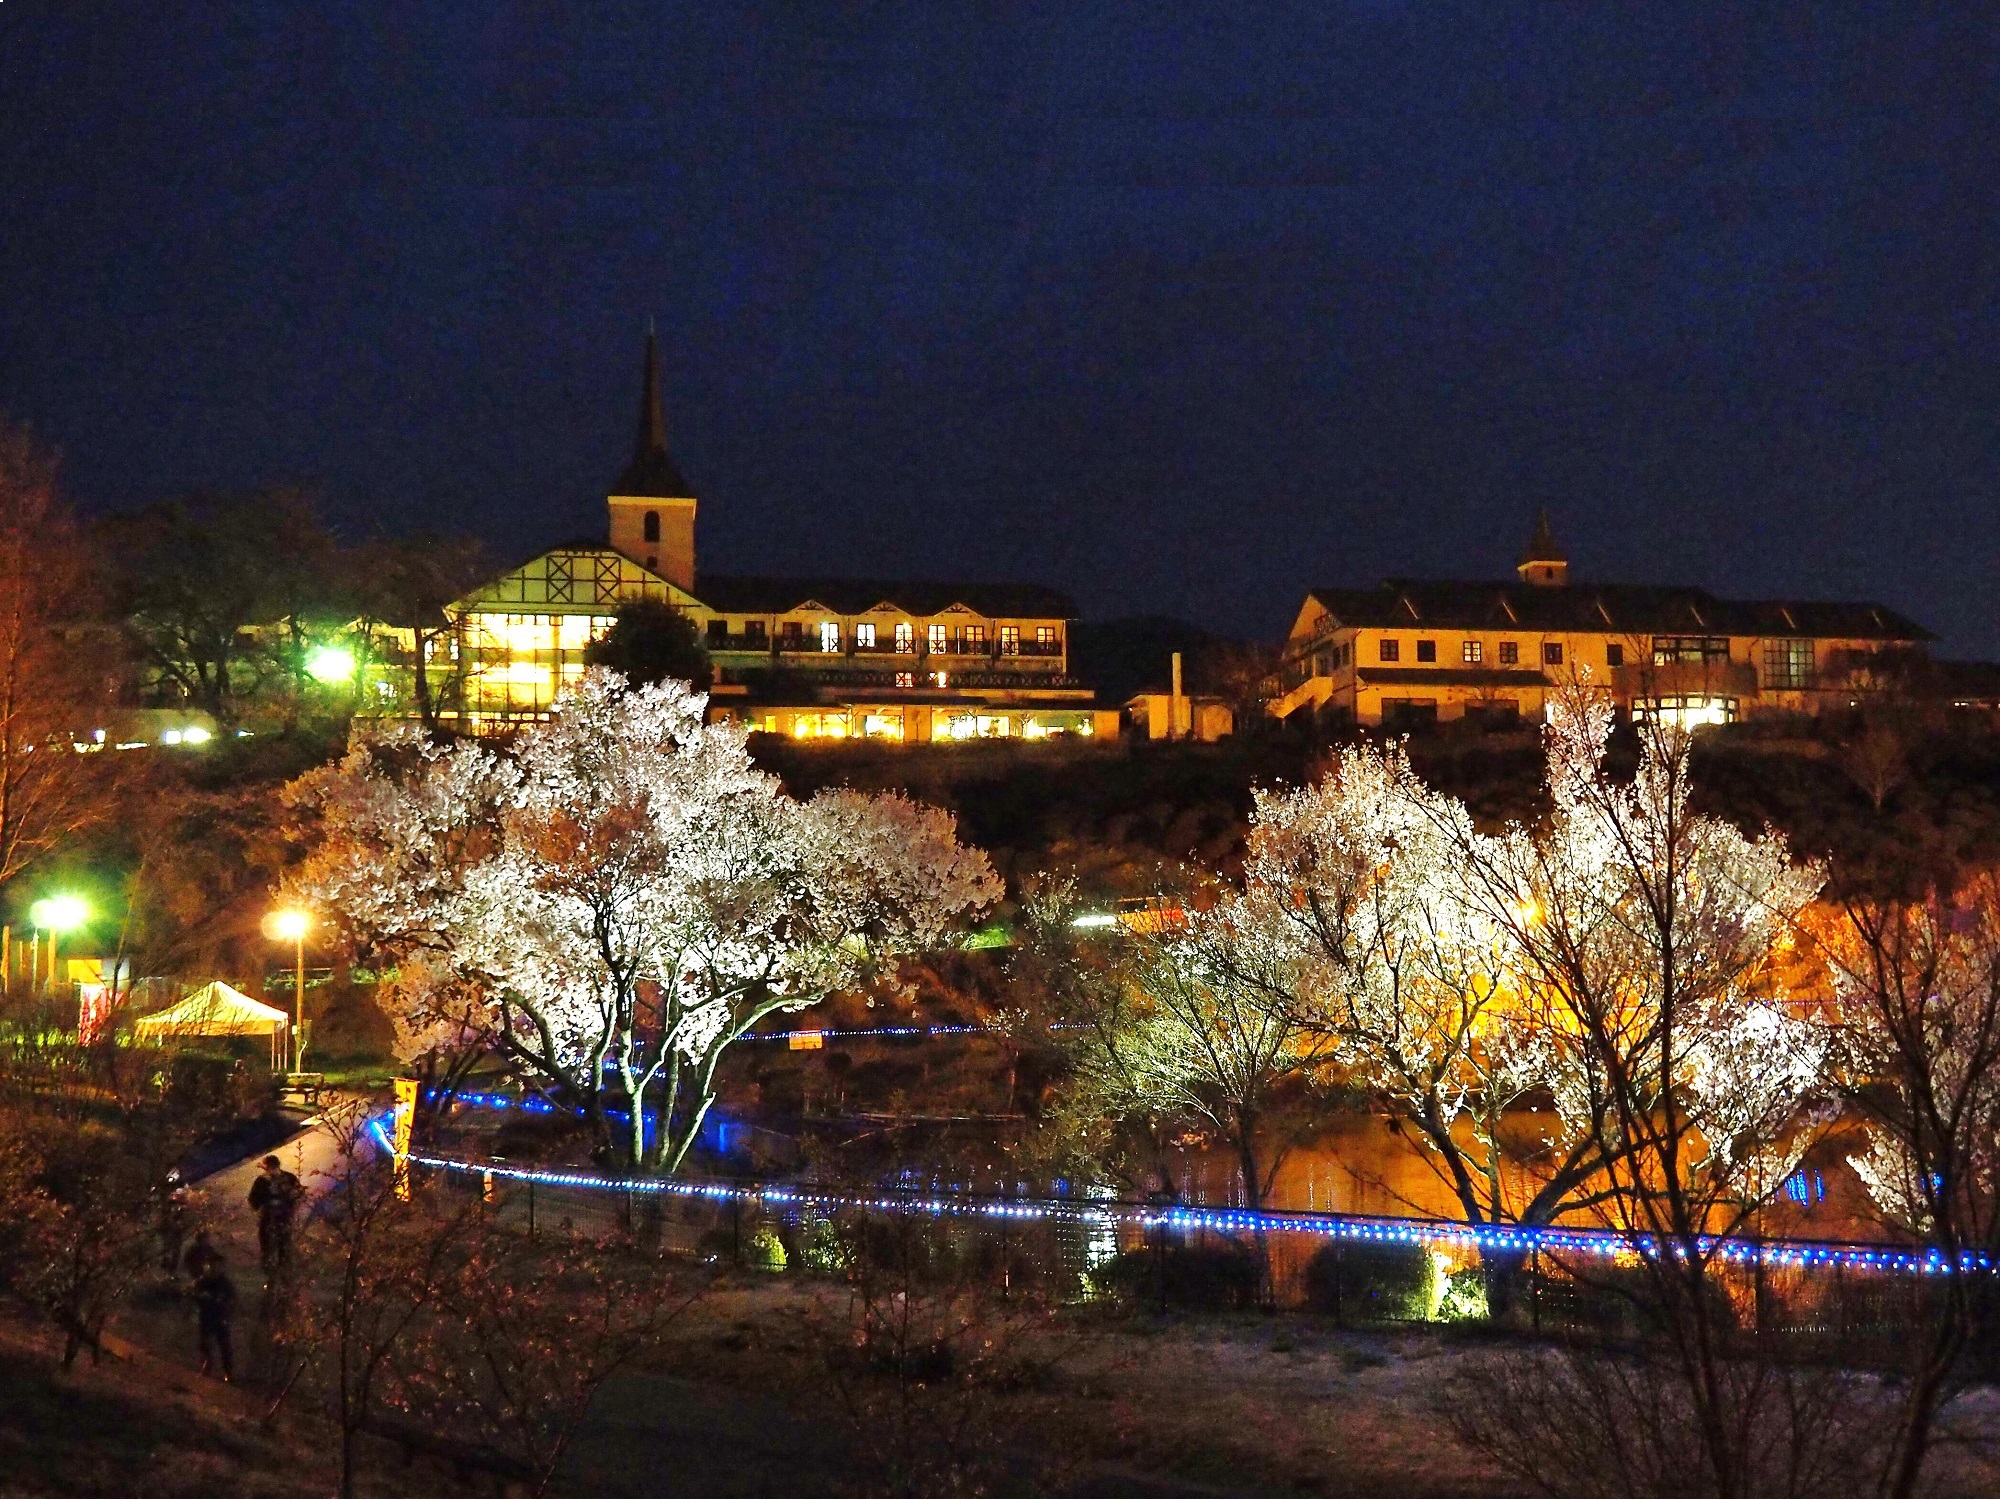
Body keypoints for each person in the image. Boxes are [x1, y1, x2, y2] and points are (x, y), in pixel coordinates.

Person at [247, 1154, 302, 1277]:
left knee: (283, 1242)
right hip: (269, 1216)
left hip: (283, 1215)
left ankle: (283, 1268)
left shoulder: (288, 1178)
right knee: (267, 1242)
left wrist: (292, 1200)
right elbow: (253, 1198)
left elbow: (299, 1192)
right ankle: (270, 1269)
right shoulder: (262, 1181)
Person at [193, 1256, 236, 1381]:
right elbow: (195, 1295)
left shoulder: (225, 1284)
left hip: (220, 1317)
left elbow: (232, 1300)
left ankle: (228, 1372)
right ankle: (206, 1367)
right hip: (206, 1316)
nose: (216, 1269)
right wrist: (201, 1297)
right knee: (205, 1344)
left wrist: (227, 1310)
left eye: (219, 1266)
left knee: (224, 1345)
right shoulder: (203, 1282)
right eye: (214, 1266)